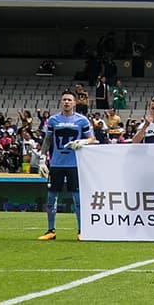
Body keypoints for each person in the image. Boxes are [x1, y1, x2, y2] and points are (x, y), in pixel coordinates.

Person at [37, 91, 96, 241]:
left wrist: (82, 142)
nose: (67, 102)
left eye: (69, 100)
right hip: (56, 164)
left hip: (75, 164)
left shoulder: (82, 120)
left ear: (75, 103)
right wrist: (42, 159)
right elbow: (47, 140)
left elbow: (92, 139)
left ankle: (82, 230)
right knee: (51, 198)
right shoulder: (53, 120)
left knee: (77, 199)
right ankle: (51, 230)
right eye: (64, 100)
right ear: (61, 102)